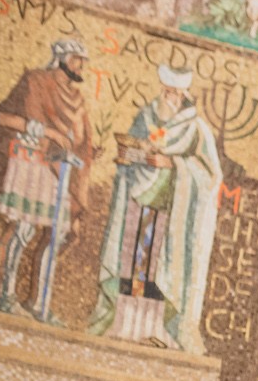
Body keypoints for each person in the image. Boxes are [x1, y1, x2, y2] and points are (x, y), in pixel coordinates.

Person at [88, 63, 221, 351]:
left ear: (184, 94)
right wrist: (133, 156)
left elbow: (210, 175)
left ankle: (157, 330)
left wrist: (174, 165)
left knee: (158, 273)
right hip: (138, 205)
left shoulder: (195, 129)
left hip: (172, 216)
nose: (169, 96)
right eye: (166, 90)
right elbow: (135, 153)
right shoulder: (146, 117)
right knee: (133, 270)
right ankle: (127, 326)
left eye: (175, 92)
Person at [0, 39, 95, 323]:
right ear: (60, 58)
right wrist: (48, 133)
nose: (81, 66)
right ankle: (4, 295)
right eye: (76, 59)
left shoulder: (78, 100)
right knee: (23, 228)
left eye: (83, 60)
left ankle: (38, 302)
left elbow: (82, 141)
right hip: (31, 161)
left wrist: (86, 153)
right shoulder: (35, 81)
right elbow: (3, 117)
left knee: (57, 233)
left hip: (59, 172)